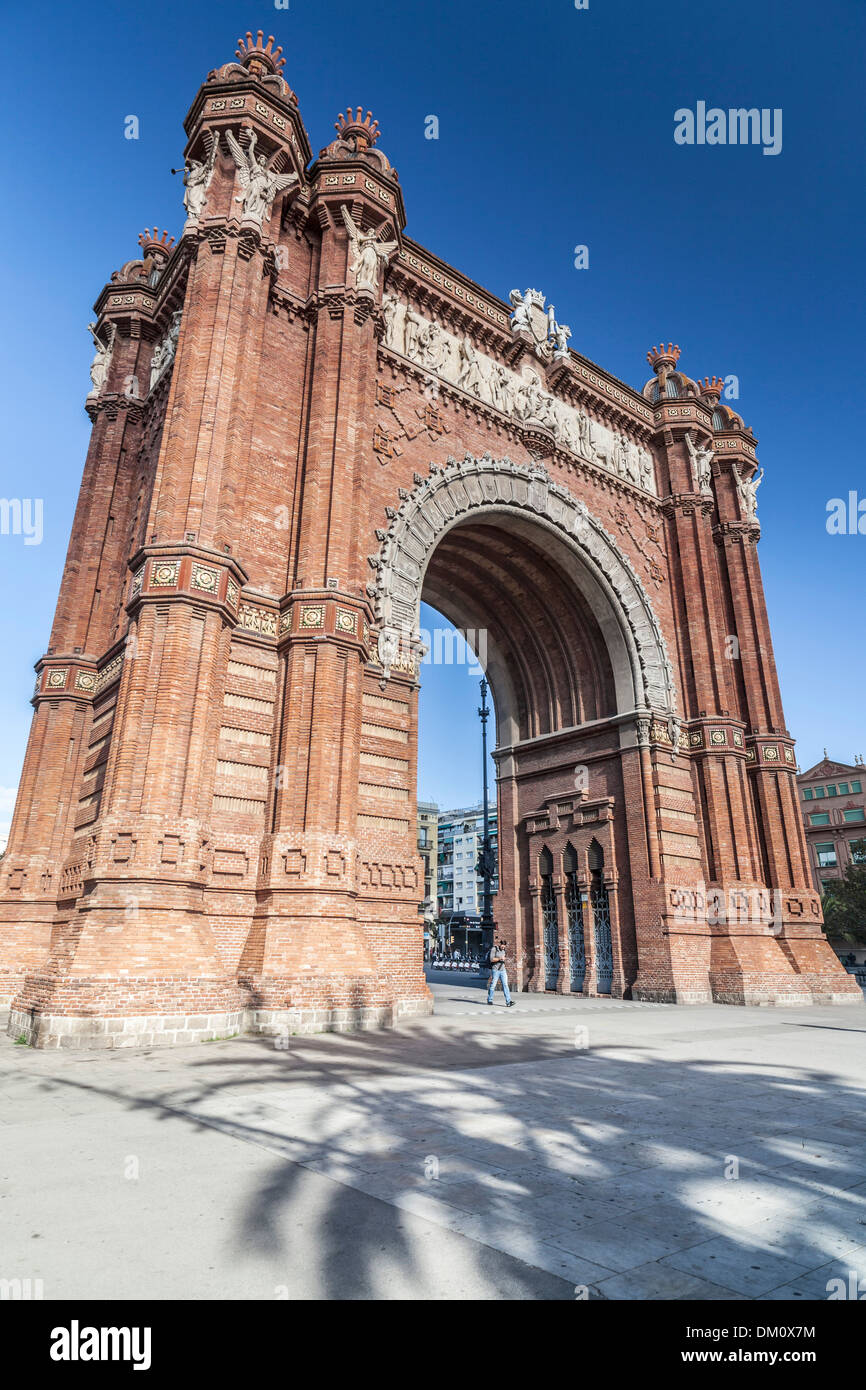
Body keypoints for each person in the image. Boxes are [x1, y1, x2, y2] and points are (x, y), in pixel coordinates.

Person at [487, 938, 515, 1007]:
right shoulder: (494, 949)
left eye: (504, 946)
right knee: (493, 985)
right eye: (502, 946)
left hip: (503, 970)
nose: (503, 947)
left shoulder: (504, 950)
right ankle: (490, 999)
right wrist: (500, 959)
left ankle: (508, 1001)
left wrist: (504, 960)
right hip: (495, 970)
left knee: (505, 985)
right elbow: (491, 959)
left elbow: (503, 959)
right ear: (500, 944)